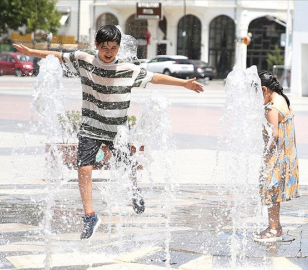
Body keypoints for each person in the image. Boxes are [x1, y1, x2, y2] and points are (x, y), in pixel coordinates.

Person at [13, 25, 204, 240]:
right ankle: (90, 217)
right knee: (84, 168)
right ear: (96, 45)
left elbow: (155, 78)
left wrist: (184, 84)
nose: (109, 52)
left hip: (117, 130)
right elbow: (58, 55)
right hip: (90, 127)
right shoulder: (84, 59)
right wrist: (32, 53)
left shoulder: (128, 69)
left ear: (119, 48)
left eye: (114, 48)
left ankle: (134, 190)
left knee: (127, 165)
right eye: (105, 47)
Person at [253, 71, 300, 242]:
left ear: (264, 89)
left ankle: (274, 228)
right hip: (287, 154)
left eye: (257, 94)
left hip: (276, 156)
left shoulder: (272, 108)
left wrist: (266, 156)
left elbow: (274, 135)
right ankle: (275, 226)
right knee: (274, 192)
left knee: (270, 190)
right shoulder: (282, 99)